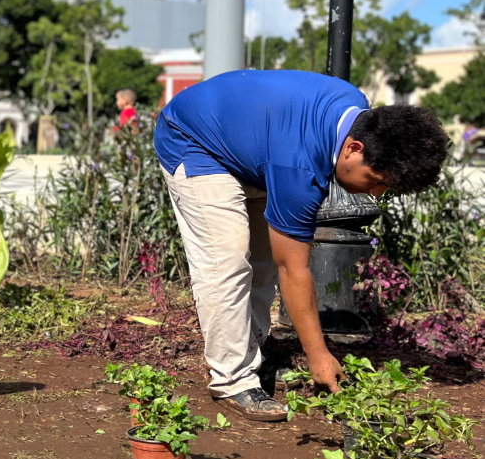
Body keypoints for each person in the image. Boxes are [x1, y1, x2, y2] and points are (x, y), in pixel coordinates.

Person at [154, 69, 449, 421]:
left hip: (255, 149)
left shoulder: (358, 114)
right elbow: (294, 269)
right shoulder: (299, 167)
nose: (376, 193)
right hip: (194, 140)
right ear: (354, 149)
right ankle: (232, 380)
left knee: (262, 263)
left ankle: (250, 355)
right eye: (376, 181)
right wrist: (318, 356)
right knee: (228, 261)